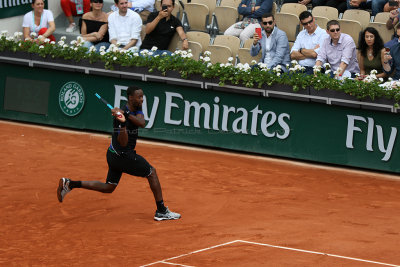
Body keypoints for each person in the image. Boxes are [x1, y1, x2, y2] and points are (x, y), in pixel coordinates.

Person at [57, 86, 181, 221]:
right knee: (151, 172)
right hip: (122, 155)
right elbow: (123, 142)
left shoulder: (135, 109)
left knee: (108, 187)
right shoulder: (119, 119)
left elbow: (142, 123)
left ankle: (70, 184)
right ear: (130, 98)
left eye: (142, 96)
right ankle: (161, 210)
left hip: (113, 154)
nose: (142, 99)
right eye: (139, 97)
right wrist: (122, 124)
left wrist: (126, 115)